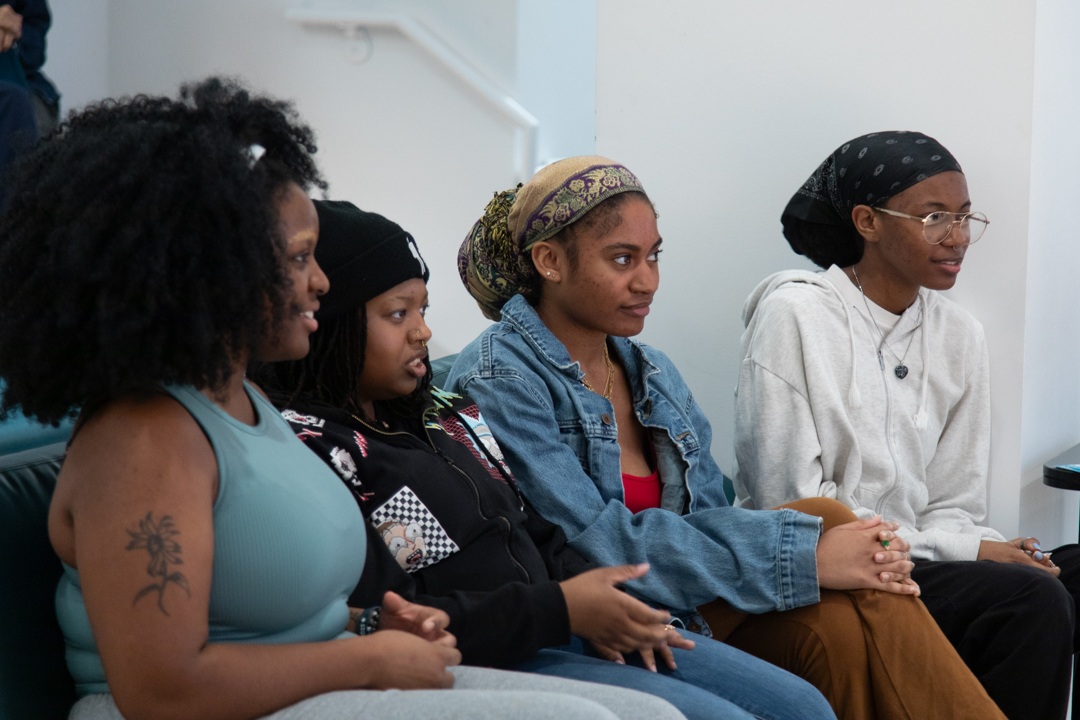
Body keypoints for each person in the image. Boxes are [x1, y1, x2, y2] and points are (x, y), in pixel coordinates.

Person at [0, 79, 686, 720]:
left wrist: (376, 623)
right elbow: (161, 690)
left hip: (313, 679)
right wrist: (366, 657)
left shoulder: (245, 403)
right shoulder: (143, 440)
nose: (322, 284)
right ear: (210, 270)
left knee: (650, 714)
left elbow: (288, 613)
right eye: (299, 258)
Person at [447, 155, 1006, 720]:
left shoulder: (650, 370)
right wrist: (803, 556)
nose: (647, 281)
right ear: (549, 261)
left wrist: (809, 554)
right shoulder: (500, 378)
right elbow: (595, 545)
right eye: (621, 259)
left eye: (653, 256)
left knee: (844, 591)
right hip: (606, 620)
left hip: (691, 603)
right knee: (829, 537)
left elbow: (708, 513)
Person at [256, 199, 839, 720]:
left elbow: (534, 530)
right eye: (397, 314)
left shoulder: (441, 414)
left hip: (564, 622)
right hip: (501, 646)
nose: (424, 333)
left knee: (802, 705)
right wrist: (563, 608)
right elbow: (404, 603)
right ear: (329, 323)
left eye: (422, 310)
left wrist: (596, 599)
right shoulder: (327, 449)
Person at [733, 130, 1078, 719]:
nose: (958, 237)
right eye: (935, 217)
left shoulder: (958, 334)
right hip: (828, 569)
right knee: (1029, 599)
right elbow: (790, 509)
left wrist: (987, 547)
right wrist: (975, 552)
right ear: (866, 221)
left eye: (965, 216)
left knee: (1066, 574)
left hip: (921, 560)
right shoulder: (795, 316)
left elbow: (954, 503)